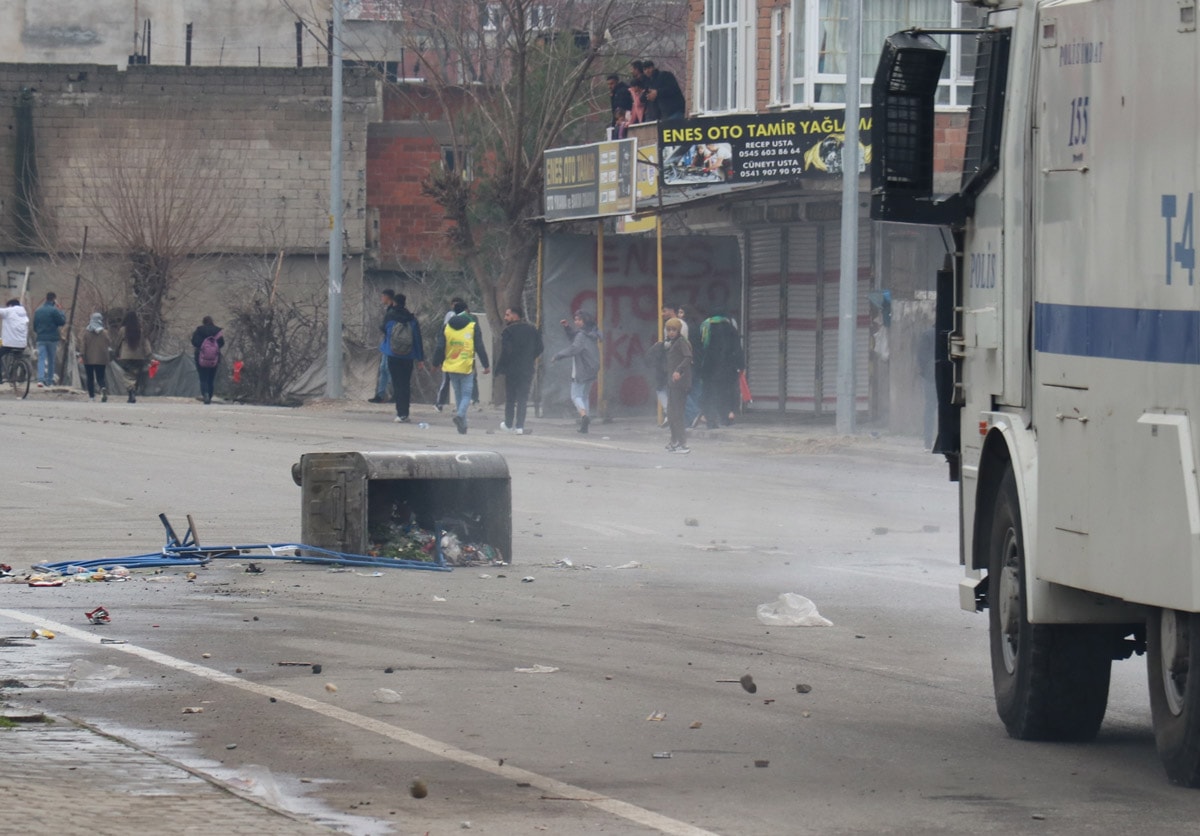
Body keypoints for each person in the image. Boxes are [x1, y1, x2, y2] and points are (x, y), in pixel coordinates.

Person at [434, 300, 489, 434]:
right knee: (466, 394)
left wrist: (436, 362)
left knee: (458, 394)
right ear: (466, 310)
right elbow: (479, 346)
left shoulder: (446, 326)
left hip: (451, 365)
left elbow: (440, 346)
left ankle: (462, 426)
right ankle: (460, 416)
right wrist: (486, 364)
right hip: (466, 364)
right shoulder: (472, 325)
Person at [494, 306, 543, 435]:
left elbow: (506, 352)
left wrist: (499, 368)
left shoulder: (508, 332)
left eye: (507, 315)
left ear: (515, 316)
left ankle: (509, 424)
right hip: (527, 368)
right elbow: (540, 347)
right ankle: (520, 426)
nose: (505, 318)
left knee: (510, 398)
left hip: (512, 369)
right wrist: (529, 358)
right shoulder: (532, 330)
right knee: (523, 398)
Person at [552, 310, 601, 434]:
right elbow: (575, 338)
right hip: (593, 368)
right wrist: (567, 327)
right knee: (585, 395)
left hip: (582, 368)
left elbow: (575, 347)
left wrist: (558, 355)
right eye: (575, 320)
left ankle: (584, 416)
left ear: (584, 321)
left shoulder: (582, 335)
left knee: (575, 396)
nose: (576, 322)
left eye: (579, 320)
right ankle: (585, 424)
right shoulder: (592, 332)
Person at [381, 291, 424, 422]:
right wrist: (420, 358)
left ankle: (400, 413)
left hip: (393, 355)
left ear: (394, 302)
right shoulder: (412, 319)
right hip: (408, 356)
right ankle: (405, 413)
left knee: (396, 383)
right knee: (405, 384)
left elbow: (383, 328)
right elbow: (417, 339)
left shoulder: (390, 316)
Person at [697, 311, 743, 429]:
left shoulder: (706, 327)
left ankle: (711, 420)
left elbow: (701, 347)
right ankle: (725, 418)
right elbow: (737, 348)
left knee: (709, 393)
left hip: (709, 367)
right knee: (724, 393)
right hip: (727, 368)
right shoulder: (731, 328)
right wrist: (741, 366)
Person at [435, 297, 474, 411]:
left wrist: (437, 360)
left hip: (452, 356)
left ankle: (456, 407)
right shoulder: (470, 321)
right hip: (461, 356)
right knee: (454, 383)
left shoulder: (452, 321)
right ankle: (451, 406)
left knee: (453, 384)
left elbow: (442, 340)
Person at [662, 317, 692, 453]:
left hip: (680, 384)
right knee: (671, 413)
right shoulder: (670, 343)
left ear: (679, 330)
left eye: (674, 330)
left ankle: (682, 443)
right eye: (669, 330)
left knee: (677, 413)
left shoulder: (681, 342)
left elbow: (688, 357)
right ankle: (674, 441)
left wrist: (678, 371)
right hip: (672, 383)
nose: (671, 332)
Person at [115, 311, 152, 403]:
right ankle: (133, 391)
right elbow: (145, 343)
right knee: (135, 375)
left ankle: (131, 391)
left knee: (127, 375)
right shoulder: (140, 330)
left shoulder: (123, 330)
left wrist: (116, 353)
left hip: (126, 356)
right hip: (139, 356)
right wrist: (149, 354)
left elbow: (118, 342)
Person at [32, 291, 65, 388]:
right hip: (52, 339)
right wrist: (61, 311)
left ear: (46, 299)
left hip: (41, 338)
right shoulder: (54, 311)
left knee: (41, 358)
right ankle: (49, 380)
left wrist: (39, 332)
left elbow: (34, 326)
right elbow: (62, 322)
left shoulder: (38, 311)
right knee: (51, 359)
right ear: (54, 300)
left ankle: (40, 380)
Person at [190, 315, 224, 405]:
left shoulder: (199, 330)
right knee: (211, 378)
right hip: (214, 358)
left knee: (203, 377)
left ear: (203, 322)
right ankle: (210, 394)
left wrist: (202, 348)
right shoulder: (217, 331)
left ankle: (205, 394)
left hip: (201, 357)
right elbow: (222, 343)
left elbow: (194, 341)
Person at [80, 312, 112, 402]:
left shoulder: (86, 333)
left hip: (88, 359)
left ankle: (91, 396)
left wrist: (82, 355)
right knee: (100, 377)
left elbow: (83, 346)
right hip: (101, 358)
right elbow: (109, 342)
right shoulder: (104, 333)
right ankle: (102, 388)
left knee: (90, 378)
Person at [0, 299, 30, 383]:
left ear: (10, 305)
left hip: (9, 343)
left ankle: (0, 379)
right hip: (22, 344)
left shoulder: (9, 311)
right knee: (18, 357)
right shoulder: (24, 314)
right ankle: (21, 375)